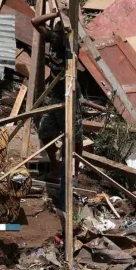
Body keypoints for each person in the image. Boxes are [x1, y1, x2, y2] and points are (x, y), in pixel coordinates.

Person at [36, 21, 82, 206]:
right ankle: (55, 167)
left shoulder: (69, 47)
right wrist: (56, 15)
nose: (54, 37)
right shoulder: (53, 41)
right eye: (53, 33)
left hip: (69, 96)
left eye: (58, 34)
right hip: (54, 96)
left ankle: (74, 173)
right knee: (44, 132)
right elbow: (35, 22)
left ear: (65, 36)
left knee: (74, 137)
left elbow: (72, 46)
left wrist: (66, 33)